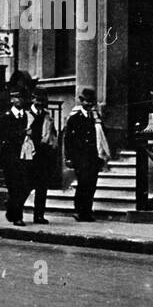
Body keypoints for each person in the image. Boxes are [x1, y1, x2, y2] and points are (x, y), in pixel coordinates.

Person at [64, 87, 107, 222]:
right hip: (80, 158)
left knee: (91, 185)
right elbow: (68, 140)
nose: (89, 104)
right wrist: (69, 157)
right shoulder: (74, 119)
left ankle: (87, 211)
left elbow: (101, 137)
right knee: (82, 184)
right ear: (81, 101)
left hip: (93, 158)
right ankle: (79, 211)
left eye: (91, 102)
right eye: (86, 101)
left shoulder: (96, 118)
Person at [0, 88, 31, 226]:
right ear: (12, 100)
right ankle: (17, 216)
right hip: (10, 159)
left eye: (21, 98)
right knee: (14, 188)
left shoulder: (26, 117)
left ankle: (11, 206)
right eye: (16, 98)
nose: (19, 100)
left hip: (24, 158)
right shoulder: (5, 118)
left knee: (25, 187)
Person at [25, 89, 58, 224]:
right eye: (38, 100)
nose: (40, 103)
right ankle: (15, 210)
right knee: (25, 185)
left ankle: (39, 215)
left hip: (43, 157)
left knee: (42, 187)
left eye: (43, 101)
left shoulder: (47, 116)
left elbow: (52, 135)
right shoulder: (26, 115)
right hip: (28, 156)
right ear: (32, 99)